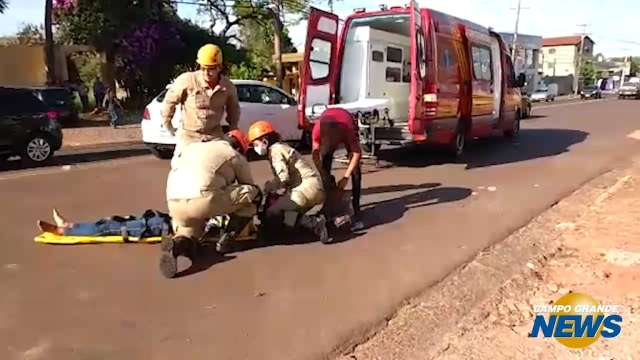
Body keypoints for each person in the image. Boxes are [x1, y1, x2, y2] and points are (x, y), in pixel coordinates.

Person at [161, 129, 261, 278]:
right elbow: (248, 185)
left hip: (174, 203)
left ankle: (178, 244)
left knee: (190, 232)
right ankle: (227, 238)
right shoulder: (233, 153)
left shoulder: (194, 147)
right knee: (254, 193)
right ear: (239, 146)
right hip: (203, 200)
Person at [247, 120, 329, 244]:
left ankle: (314, 223)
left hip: (304, 190)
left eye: (255, 144)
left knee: (273, 211)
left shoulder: (275, 150)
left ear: (264, 141)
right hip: (313, 188)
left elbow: (283, 178)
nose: (255, 148)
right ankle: (306, 225)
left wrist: (268, 187)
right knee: (288, 215)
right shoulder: (282, 147)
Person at [160, 43, 240, 153]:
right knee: (179, 166)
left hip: (215, 136)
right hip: (189, 137)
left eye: (211, 69)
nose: (206, 73)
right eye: (203, 68)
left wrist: (233, 129)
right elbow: (169, 102)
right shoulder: (187, 80)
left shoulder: (228, 86)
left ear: (219, 67)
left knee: (227, 162)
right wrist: (168, 125)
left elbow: (234, 108)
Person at [311, 107, 364, 231]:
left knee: (356, 171)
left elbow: (356, 153)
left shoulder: (347, 129)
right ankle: (328, 206)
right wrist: (324, 174)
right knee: (325, 162)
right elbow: (315, 155)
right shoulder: (317, 130)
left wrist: (345, 177)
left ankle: (356, 208)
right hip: (328, 123)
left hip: (345, 121)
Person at [37, 208, 171, 238]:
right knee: (108, 221)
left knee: (105, 227)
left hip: (150, 226)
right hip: (151, 222)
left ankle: (61, 230)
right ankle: (69, 225)